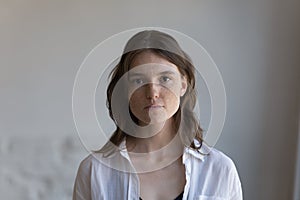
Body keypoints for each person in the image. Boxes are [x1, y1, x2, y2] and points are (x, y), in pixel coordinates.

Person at [73, 30, 243, 200]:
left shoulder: (220, 170)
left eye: (165, 79)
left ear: (183, 84)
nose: (153, 92)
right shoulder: (93, 171)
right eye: (139, 80)